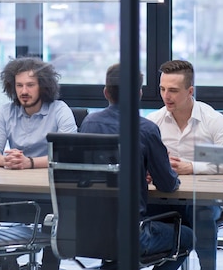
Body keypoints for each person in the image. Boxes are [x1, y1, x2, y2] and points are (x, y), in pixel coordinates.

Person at [79, 63, 193, 270]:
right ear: (139, 93)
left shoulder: (88, 123)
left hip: (89, 232)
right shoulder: (146, 129)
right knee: (186, 236)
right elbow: (167, 185)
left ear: (106, 92)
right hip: (133, 234)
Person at [146, 59, 223, 270]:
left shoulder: (211, 120)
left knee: (200, 212)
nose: (165, 96)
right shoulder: (154, 121)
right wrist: (149, 170)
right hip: (164, 198)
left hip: (202, 200)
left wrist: (192, 167)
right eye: (162, 89)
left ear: (190, 91)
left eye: (173, 90)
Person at [0, 56, 77, 169]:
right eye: (19, 85)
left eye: (30, 85)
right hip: (15, 179)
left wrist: (30, 162)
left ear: (43, 87)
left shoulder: (60, 110)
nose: (24, 91)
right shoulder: (5, 112)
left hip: (48, 180)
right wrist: (7, 161)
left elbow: (66, 155)